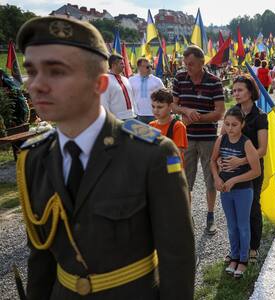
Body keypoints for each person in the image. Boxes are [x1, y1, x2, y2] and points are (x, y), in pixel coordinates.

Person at [17, 16, 195, 299]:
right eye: (32, 71)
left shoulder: (150, 154)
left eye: (57, 72)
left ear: (99, 84)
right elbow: (40, 259)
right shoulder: (33, 158)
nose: (37, 85)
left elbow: (178, 257)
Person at [172, 45, 225, 235]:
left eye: (191, 64)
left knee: (211, 179)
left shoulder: (214, 82)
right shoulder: (179, 78)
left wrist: (197, 117)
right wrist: (186, 111)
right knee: (186, 180)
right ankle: (187, 217)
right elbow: (173, 104)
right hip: (185, 138)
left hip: (208, 138)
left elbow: (220, 112)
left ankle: (210, 216)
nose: (188, 67)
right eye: (186, 64)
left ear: (202, 63)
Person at [220, 75, 268, 263]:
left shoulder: (260, 116)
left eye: (240, 90)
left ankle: (253, 247)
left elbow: (262, 149)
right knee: (234, 213)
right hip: (231, 170)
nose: (236, 93)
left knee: (253, 207)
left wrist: (240, 161)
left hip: (251, 169)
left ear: (250, 91)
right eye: (234, 90)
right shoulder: (233, 113)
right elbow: (223, 137)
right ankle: (237, 249)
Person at [210, 107, 261, 278]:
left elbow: (256, 171)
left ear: (242, 125)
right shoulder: (221, 140)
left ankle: (244, 260)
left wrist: (234, 180)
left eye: (234, 125)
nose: (230, 128)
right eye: (227, 124)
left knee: (242, 225)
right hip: (225, 190)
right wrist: (217, 178)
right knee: (231, 225)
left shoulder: (246, 143)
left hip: (243, 190)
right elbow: (212, 161)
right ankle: (234, 255)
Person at [149, 88, 188, 164]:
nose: (155, 110)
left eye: (160, 107)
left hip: (172, 169)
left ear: (170, 107)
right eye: (153, 106)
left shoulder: (178, 126)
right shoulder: (151, 125)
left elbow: (177, 153)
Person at [100, 54, 136, 120]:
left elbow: (132, 97)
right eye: (121, 64)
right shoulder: (105, 80)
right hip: (117, 119)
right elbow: (103, 102)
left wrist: (135, 112)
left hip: (132, 116)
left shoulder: (125, 79)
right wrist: (109, 119)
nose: (124, 66)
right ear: (114, 65)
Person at [129, 57, 164, 124]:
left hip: (154, 114)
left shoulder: (157, 81)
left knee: (155, 134)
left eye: (150, 66)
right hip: (137, 115)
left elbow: (165, 96)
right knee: (139, 134)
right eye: (147, 67)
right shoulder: (131, 80)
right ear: (139, 67)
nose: (150, 69)